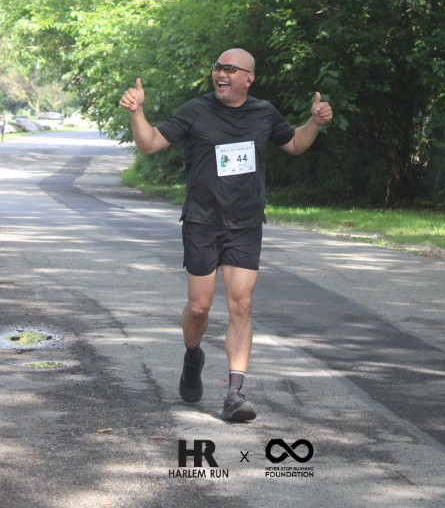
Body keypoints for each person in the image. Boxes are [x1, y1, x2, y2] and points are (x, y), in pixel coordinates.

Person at [119, 47, 332, 421]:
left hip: (245, 224)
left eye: (230, 69)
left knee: (241, 304)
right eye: (218, 67)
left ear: (248, 79)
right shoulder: (196, 110)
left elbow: (295, 143)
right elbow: (149, 143)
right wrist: (137, 112)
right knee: (199, 307)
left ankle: (234, 393)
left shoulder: (264, 113)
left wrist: (313, 122)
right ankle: (192, 355)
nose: (221, 73)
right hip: (202, 221)